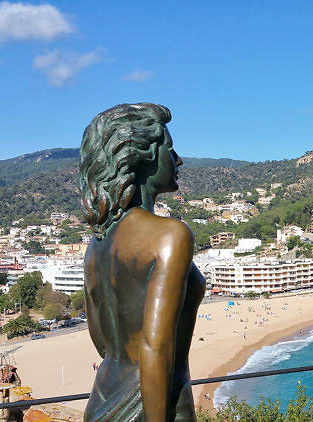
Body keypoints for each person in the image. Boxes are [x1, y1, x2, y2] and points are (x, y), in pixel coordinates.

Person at [79, 103, 205, 422]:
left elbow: (102, 343)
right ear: (143, 158)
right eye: (171, 150)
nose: (178, 161)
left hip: (103, 398)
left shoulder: (96, 245)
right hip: (158, 405)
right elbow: (155, 347)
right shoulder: (170, 235)